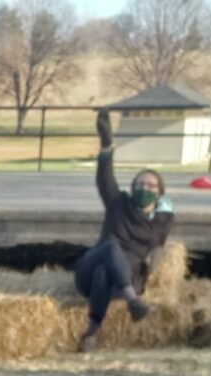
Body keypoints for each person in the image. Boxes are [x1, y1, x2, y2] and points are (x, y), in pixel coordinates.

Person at [74, 110, 175, 352]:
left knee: (103, 272)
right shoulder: (118, 202)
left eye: (150, 185)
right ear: (133, 187)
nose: (144, 187)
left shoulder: (162, 220)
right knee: (108, 247)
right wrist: (106, 149)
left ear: (159, 192)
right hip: (87, 274)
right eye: (140, 184)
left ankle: (92, 332)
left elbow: (158, 251)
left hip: (127, 276)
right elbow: (105, 179)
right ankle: (133, 302)